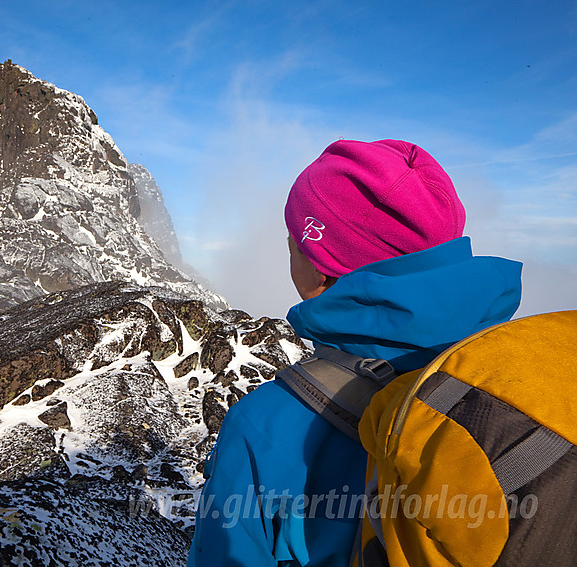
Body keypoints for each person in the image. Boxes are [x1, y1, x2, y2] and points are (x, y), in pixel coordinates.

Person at [186, 139, 522, 566]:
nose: (288, 244)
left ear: (321, 262)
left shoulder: (262, 426)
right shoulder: (512, 370)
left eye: (293, 239)